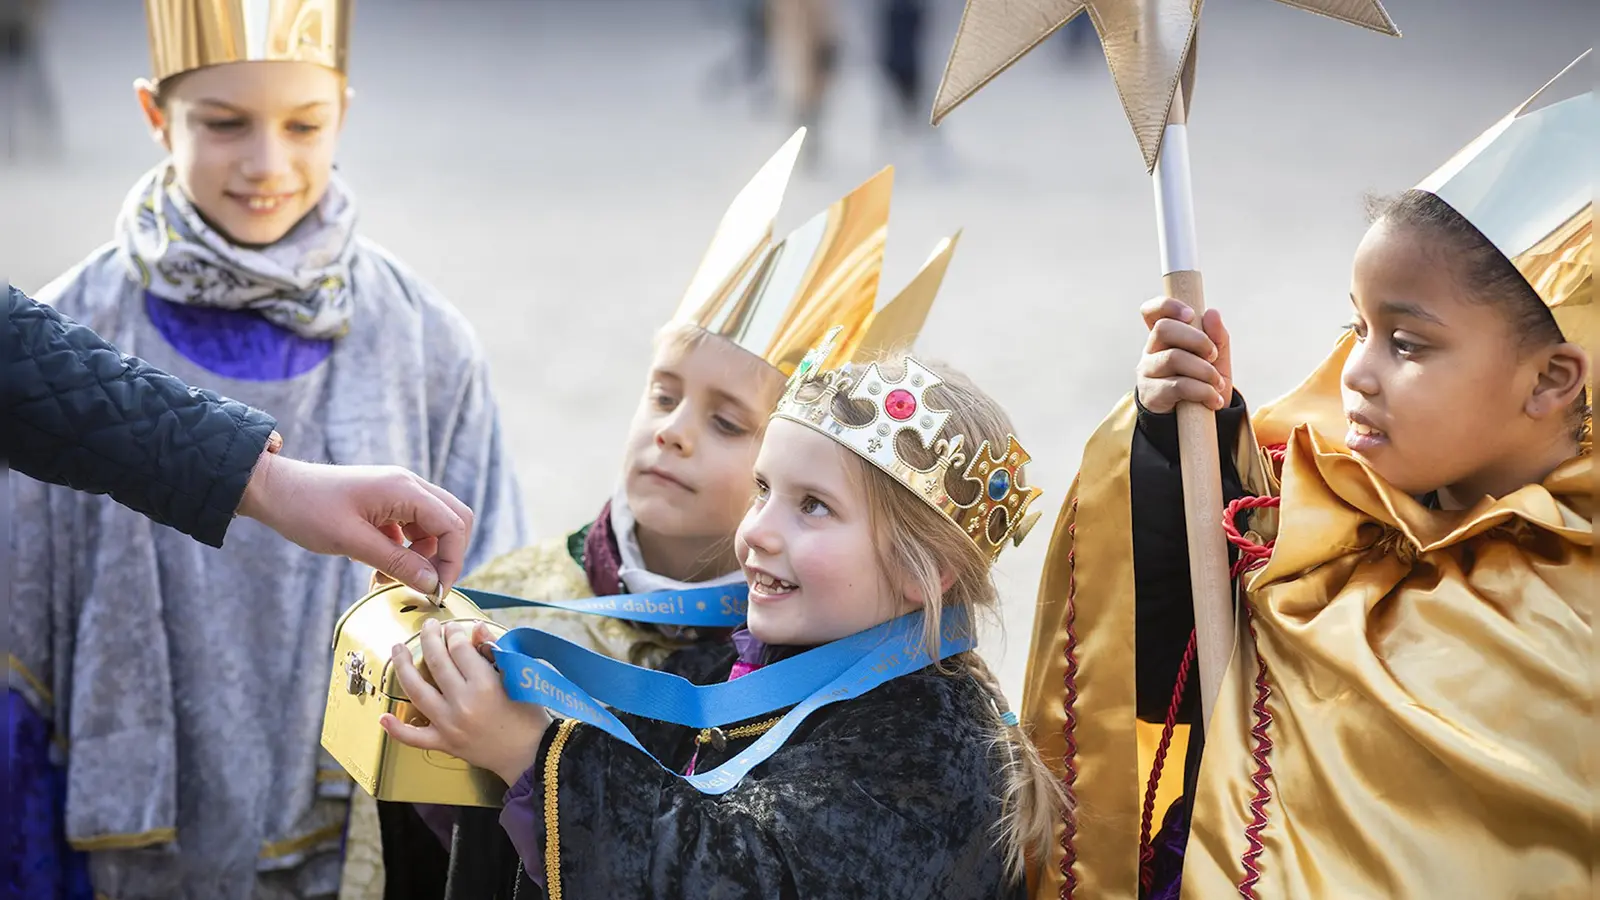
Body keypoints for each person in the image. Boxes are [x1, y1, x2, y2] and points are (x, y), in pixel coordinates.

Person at [1018, 55, 1592, 899]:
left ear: (1550, 380)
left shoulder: (1576, 619)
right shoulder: (1322, 509)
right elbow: (1163, 676)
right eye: (1353, 325)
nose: (1355, 371)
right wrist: (1184, 436)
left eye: (1406, 343)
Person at [6, 2, 526, 897]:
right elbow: (20, 616)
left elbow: (498, 593)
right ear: (154, 114)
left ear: (345, 115)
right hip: (131, 851)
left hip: (348, 850)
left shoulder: (426, 342)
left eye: (304, 124)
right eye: (223, 124)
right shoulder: (68, 333)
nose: (267, 163)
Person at [357, 130, 959, 900]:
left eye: (728, 423)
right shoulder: (513, 597)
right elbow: (435, 847)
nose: (672, 430)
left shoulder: (821, 657)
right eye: (665, 394)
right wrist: (419, 666)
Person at [384, 332, 1066, 899]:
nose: (758, 532)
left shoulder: (934, 758)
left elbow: (736, 877)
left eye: (814, 506)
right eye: (764, 489)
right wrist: (492, 711)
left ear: (927, 573)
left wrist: (532, 755)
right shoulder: (752, 657)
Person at [4, 284, 474, 595]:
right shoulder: (87, 292)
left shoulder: (422, 321)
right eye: (226, 125)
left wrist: (263, 477)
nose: (265, 165)